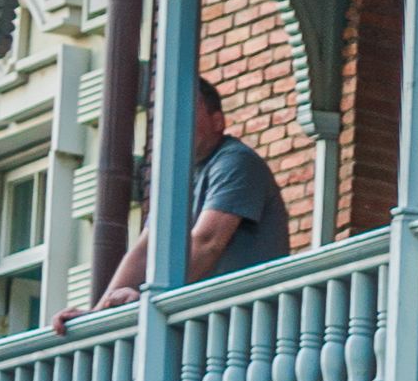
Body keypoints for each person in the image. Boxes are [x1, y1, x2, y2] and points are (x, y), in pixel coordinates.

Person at [101, 77, 288, 299]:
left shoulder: (235, 162)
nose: (178, 121)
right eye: (171, 112)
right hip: (206, 312)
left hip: (247, 311)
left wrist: (148, 301)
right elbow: (144, 251)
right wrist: (99, 309)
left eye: (188, 109)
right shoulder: (176, 179)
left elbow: (207, 243)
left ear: (217, 122)